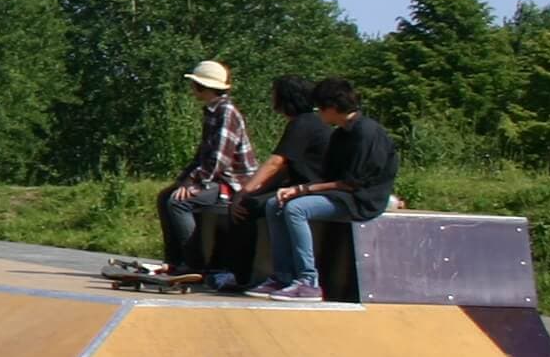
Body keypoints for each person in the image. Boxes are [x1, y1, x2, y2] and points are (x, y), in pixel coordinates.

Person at [251, 76, 400, 302]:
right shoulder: (340, 134)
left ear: (331, 107)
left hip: (361, 199)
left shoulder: (367, 133)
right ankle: (283, 276)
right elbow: (329, 176)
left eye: (319, 108)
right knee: (274, 204)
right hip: (340, 193)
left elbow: (352, 183)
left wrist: (303, 190)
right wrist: (296, 189)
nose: (317, 113)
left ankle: (308, 282)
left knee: (296, 209)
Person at [218, 75, 328, 292]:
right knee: (254, 202)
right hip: (298, 185)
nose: (272, 98)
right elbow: (285, 168)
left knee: (245, 208)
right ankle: (272, 274)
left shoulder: (303, 124)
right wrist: (256, 191)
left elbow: (276, 163)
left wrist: (244, 193)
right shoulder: (307, 122)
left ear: (286, 98)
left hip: (310, 189)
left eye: (274, 94)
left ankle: (242, 275)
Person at [159, 60, 255, 281]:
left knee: (178, 202)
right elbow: (202, 155)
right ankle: (174, 260)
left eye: (194, 84)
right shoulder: (212, 111)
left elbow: (220, 159)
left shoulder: (226, 112)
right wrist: (184, 180)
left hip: (232, 182)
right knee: (165, 196)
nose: (192, 89)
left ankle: (194, 264)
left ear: (202, 86)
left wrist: (196, 183)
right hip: (215, 177)